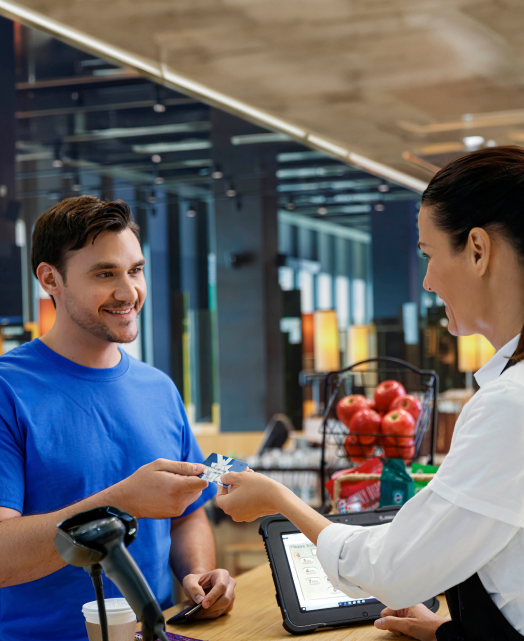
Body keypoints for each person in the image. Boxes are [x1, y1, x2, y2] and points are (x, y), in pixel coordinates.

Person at [216, 146, 524, 641]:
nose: (426, 281)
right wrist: (448, 631)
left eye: (428, 255)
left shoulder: (510, 405)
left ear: (478, 249)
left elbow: (394, 570)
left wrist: (281, 501)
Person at [0, 196, 235, 641]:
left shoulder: (159, 388)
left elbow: (187, 515)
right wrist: (122, 503)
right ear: (51, 279)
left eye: (135, 270)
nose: (129, 292)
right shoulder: (7, 390)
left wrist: (199, 576)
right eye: (105, 274)